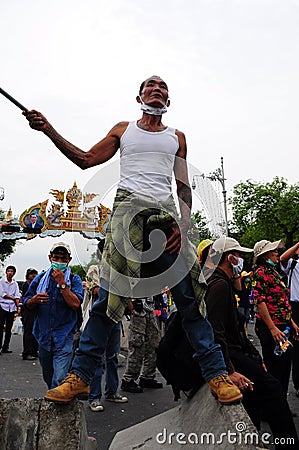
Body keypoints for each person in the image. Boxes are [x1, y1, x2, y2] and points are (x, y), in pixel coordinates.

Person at [24, 75, 242, 405]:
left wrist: (183, 225)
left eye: (163, 87)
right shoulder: (123, 130)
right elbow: (85, 159)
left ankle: (216, 374)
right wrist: (48, 129)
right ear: (139, 96)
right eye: (151, 86)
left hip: (165, 220)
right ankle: (80, 378)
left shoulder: (176, 137)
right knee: (106, 301)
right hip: (127, 216)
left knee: (190, 298)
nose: (157, 89)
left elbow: (182, 186)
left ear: (168, 100)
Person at [205, 237, 299, 449]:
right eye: (238, 255)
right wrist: (227, 369)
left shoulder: (225, 283)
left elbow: (236, 331)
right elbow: (216, 333)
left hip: (237, 350)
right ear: (229, 257)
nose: (241, 259)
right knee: (273, 387)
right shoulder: (219, 285)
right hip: (230, 354)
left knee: (257, 394)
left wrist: (254, 357)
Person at [23, 243, 84, 389]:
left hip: (64, 335)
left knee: (59, 378)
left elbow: (76, 303)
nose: (59, 261)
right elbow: (26, 302)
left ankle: (59, 407)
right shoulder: (40, 279)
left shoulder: (74, 280)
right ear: (50, 258)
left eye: (63, 258)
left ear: (69, 260)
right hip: (44, 336)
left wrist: (62, 284)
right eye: (56, 257)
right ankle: (56, 400)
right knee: (48, 376)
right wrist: (34, 300)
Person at [84, 241, 128, 412]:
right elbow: (95, 291)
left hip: (115, 319)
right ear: (101, 252)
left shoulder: (119, 271)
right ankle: (94, 397)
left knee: (113, 357)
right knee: (97, 359)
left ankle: (111, 392)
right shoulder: (95, 269)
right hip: (100, 320)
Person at [252, 239, 299, 397]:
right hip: (272, 328)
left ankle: (281, 404)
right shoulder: (260, 273)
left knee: (285, 365)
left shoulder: (273, 272)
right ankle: (273, 408)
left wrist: (291, 322)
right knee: (275, 368)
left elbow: (282, 301)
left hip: (283, 326)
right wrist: (272, 328)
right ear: (264, 255)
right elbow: (260, 302)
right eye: (273, 250)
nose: (276, 252)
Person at [121, 297, 162, 393]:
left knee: (153, 343)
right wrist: (131, 307)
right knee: (137, 345)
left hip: (149, 308)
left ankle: (147, 377)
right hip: (138, 308)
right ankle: (129, 379)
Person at [280, 241, 299, 397]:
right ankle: (298, 383)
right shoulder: (293, 264)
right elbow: (282, 258)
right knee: (297, 345)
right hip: (296, 307)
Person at [0, 265, 21, 354]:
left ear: (14, 273)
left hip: (11, 307)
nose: (10, 273)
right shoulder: (1, 281)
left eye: (12, 271)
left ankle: (6, 347)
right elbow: (3, 294)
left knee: (9, 328)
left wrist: (18, 307)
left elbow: (17, 295)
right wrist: (13, 298)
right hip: (2, 306)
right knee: (0, 327)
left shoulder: (15, 284)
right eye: (8, 271)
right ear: (6, 272)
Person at [21, 268, 39, 360]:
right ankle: (26, 352)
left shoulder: (36, 284)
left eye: (35, 274)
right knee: (28, 331)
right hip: (28, 310)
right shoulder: (26, 285)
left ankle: (34, 351)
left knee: (35, 331)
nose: (33, 275)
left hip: (35, 310)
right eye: (31, 274)